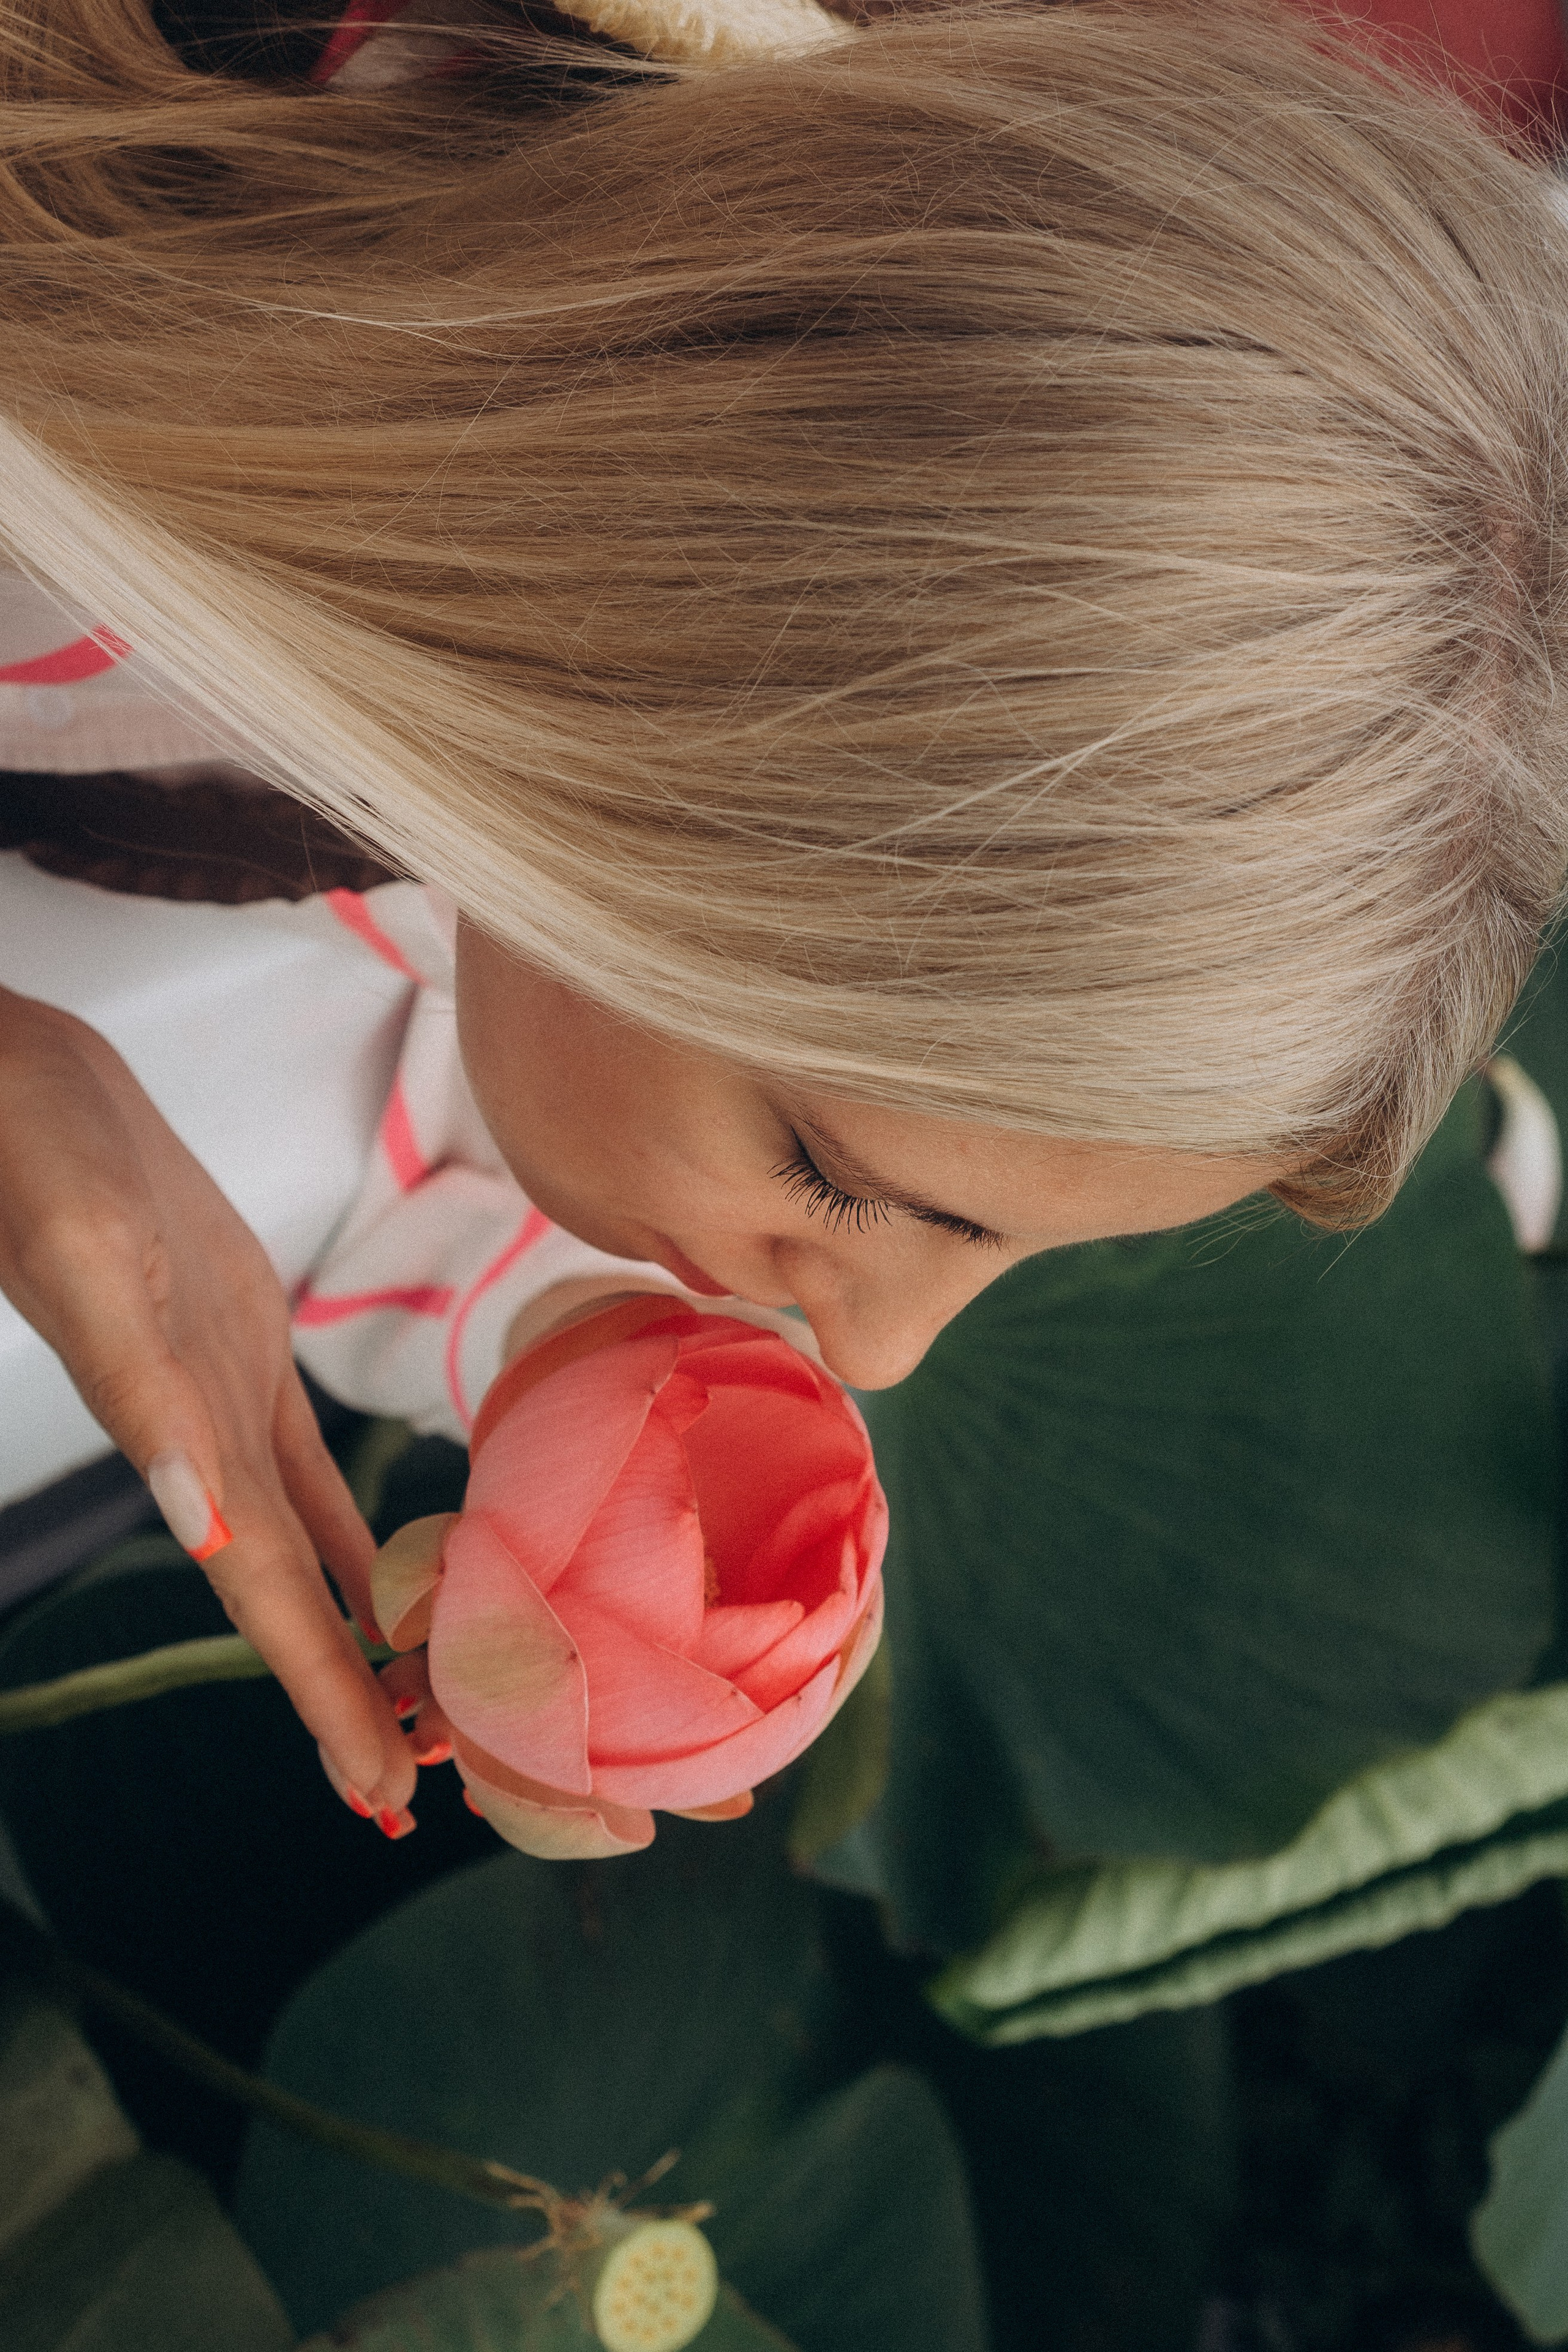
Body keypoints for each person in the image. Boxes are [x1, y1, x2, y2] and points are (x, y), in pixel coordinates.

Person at [2, 0, 1567, 1846]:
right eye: (835, 1167)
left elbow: (451, 998)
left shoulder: (515, 455)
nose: (883, 1357)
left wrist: (582, 1351)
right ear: (647, 705)